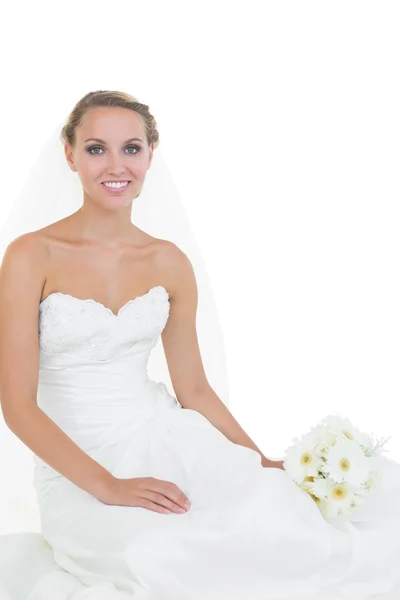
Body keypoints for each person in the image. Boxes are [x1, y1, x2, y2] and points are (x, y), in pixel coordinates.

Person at [0, 90, 400, 600]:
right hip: (79, 461)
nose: (116, 165)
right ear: (69, 154)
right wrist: (108, 486)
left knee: (275, 521)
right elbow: (17, 406)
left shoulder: (168, 261)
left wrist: (260, 462)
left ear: (150, 155)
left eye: (132, 148)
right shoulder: (31, 255)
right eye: (97, 148)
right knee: (152, 555)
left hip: (166, 435)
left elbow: (194, 388)